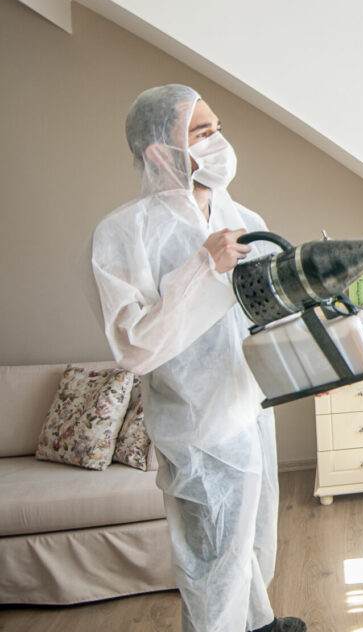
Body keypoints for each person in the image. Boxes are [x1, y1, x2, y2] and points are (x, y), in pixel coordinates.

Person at [91, 84, 305, 632]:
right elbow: (136, 347)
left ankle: (259, 624)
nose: (218, 142)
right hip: (198, 425)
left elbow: (266, 315)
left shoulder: (243, 215)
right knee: (213, 562)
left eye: (217, 128)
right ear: (160, 151)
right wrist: (200, 268)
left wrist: (309, 367)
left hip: (250, 410)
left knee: (252, 542)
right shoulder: (124, 234)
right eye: (202, 132)